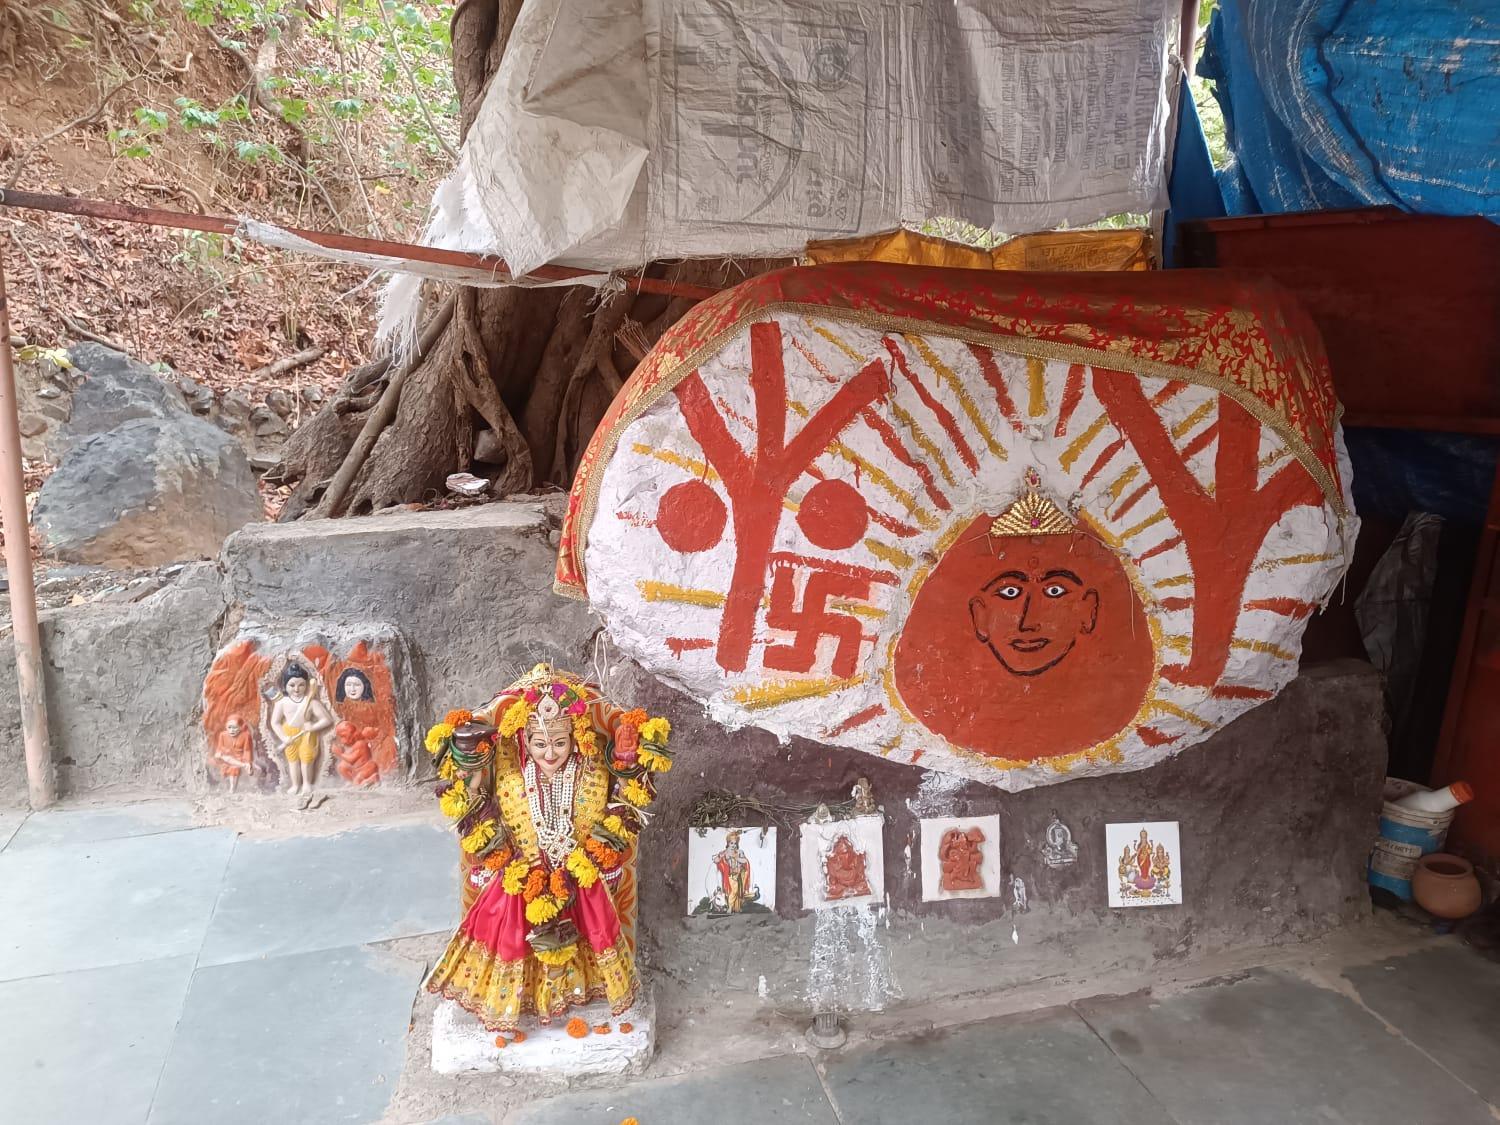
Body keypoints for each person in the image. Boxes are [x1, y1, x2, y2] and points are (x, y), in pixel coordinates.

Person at [424, 665, 675, 1033]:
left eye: (559, 742)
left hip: (579, 877)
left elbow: (621, 802)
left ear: (573, 738)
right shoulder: (510, 773)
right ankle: (524, 999)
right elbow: (476, 802)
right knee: (516, 936)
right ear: (525, 741)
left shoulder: (592, 768)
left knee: (587, 935)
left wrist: (629, 772)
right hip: (522, 877)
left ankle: (580, 994)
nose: (550, 753)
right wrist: (470, 778)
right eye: (540, 744)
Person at [268, 662, 334, 808]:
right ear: (285, 686)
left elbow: (327, 720)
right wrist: (283, 737)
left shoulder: (311, 702)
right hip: (289, 733)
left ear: (306, 685)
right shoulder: (282, 702)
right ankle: (295, 784)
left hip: (307, 734)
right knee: (293, 760)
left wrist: (313, 727)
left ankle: (307, 784)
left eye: (301, 685)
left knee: (306, 759)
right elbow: (275, 722)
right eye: (292, 685)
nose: (296, 689)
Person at [212, 714, 255, 793]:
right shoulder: (223, 735)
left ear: (240, 727)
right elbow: (220, 747)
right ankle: (244, 766)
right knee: (220, 758)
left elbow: (247, 750)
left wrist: (248, 761)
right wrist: (221, 752)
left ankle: (232, 788)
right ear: (226, 727)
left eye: (235, 728)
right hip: (225, 757)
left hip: (239, 757)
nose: (232, 730)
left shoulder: (245, 736)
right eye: (229, 727)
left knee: (234, 768)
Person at [714, 830, 753, 912]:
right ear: (728, 843)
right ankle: (730, 907)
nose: (733, 845)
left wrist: (736, 857)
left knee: (738, 891)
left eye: (735, 843)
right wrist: (720, 856)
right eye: (731, 843)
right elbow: (716, 860)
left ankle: (736, 908)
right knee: (733, 891)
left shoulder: (739, 852)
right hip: (729, 876)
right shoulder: (724, 852)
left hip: (739, 875)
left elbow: (745, 861)